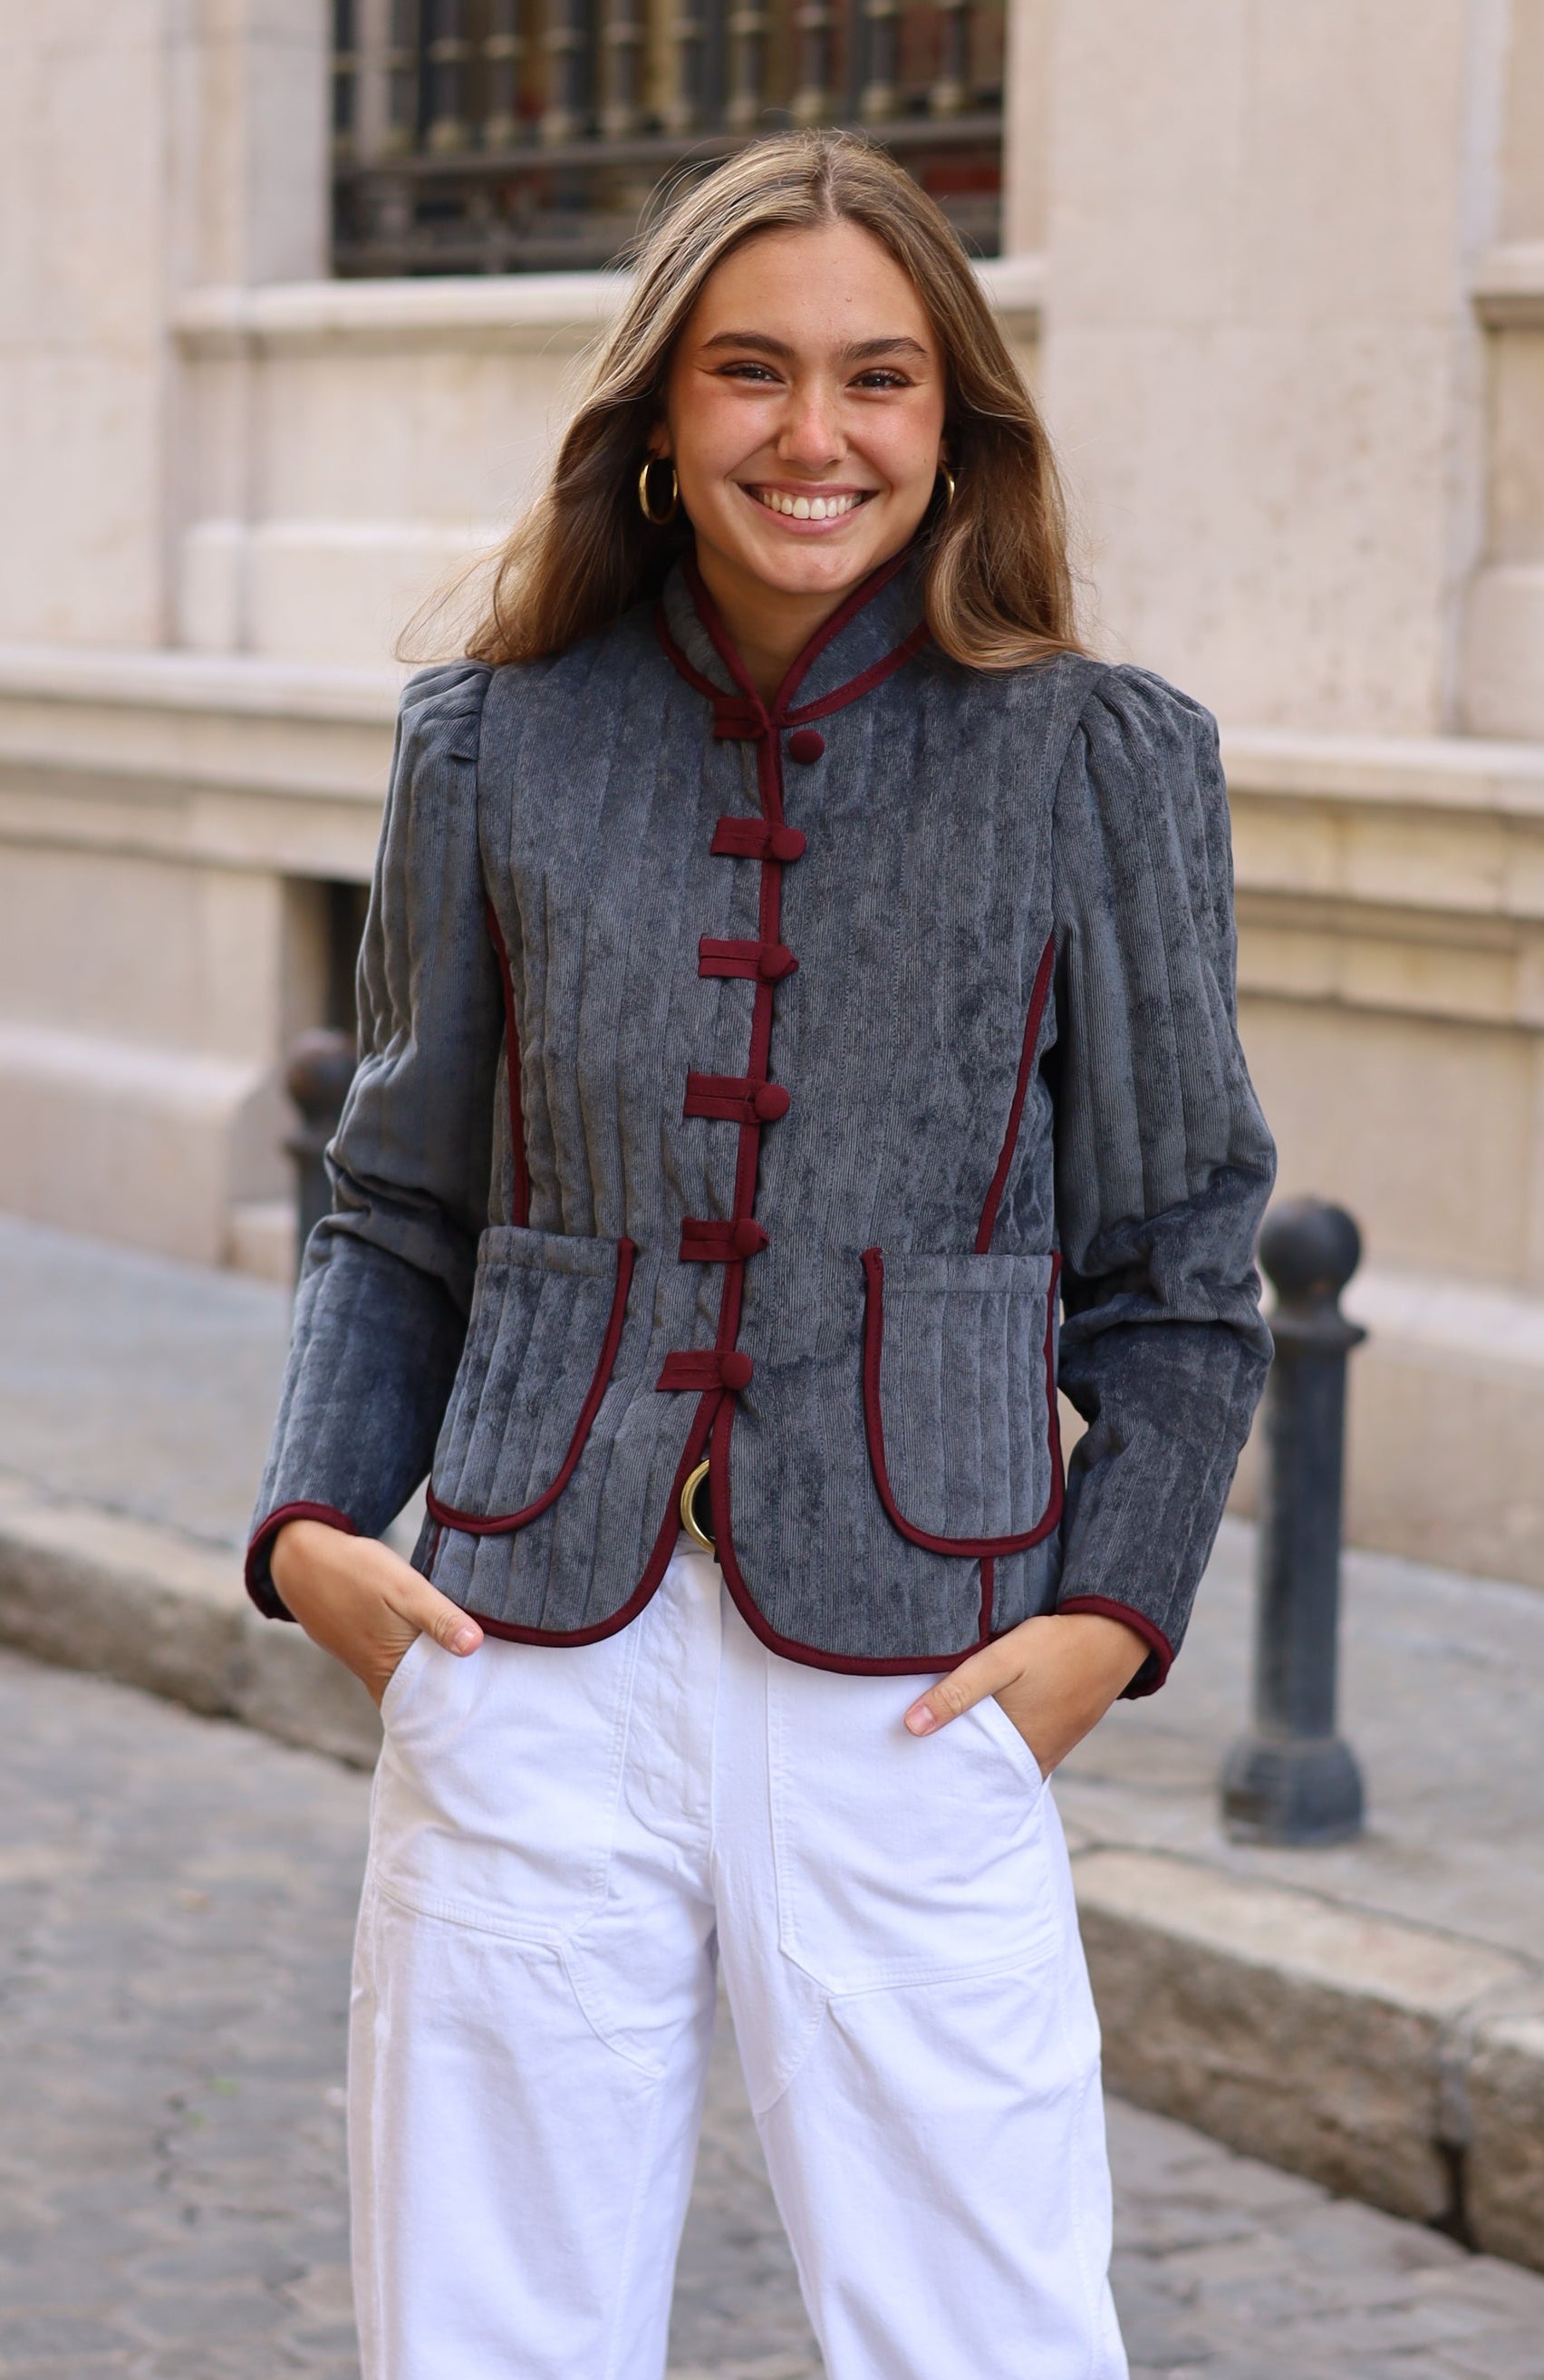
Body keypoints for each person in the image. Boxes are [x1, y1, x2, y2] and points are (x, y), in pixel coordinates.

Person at [246, 131, 1276, 2380]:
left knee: (989, 2336)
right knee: (485, 2339)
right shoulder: (494, 742)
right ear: (660, 411)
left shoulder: (1097, 759)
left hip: (923, 1669)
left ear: (955, 420)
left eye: (878, 376)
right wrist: (315, 1524)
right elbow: (397, 1200)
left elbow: (1185, 1257)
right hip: (529, 1641)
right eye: (753, 370)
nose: (816, 433)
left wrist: (1107, 1617)